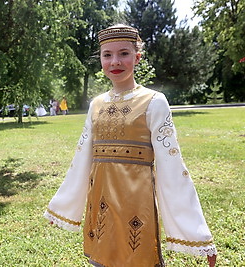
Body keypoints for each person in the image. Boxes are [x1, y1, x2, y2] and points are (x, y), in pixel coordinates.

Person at [44, 25, 217, 267]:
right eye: (107, 55)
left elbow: (173, 168)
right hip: (100, 207)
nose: (115, 61)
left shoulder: (154, 102)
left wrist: (198, 235)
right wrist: (62, 205)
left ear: (137, 57)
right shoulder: (96, 105)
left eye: (124, 53)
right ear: (100, 59)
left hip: (136, 208)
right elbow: (81, 159)